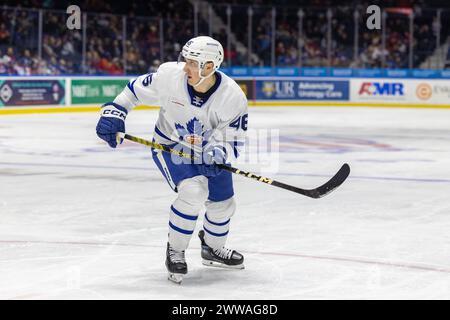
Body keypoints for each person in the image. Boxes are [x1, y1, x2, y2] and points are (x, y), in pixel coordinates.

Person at [96, 36, 248, 284]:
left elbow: (231, 136)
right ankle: (175, 250)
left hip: (207, 150)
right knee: (193, 192)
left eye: (192, 62)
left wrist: (217, 152)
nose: (185, 67)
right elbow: (132, 91)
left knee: (224, 203)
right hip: (170, 146)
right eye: (185, 60)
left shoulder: (232, 97)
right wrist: (115, 112)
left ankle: (212, 248)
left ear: (209, 66)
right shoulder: (169, 77)